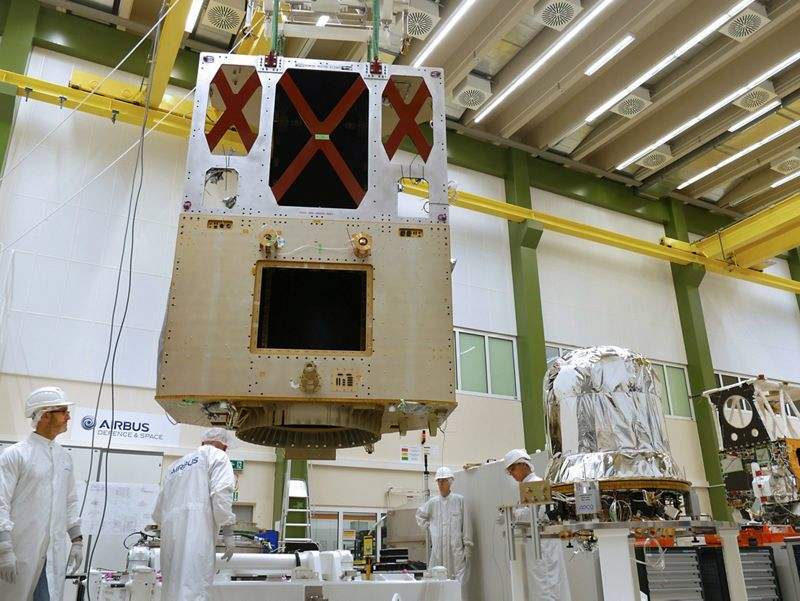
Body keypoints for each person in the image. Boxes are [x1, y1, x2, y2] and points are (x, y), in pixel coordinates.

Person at [0, 386, 83, 601]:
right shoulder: (15, 455)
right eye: (63, 411)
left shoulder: (64, 457)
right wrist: (4, 548)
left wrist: (77, 540)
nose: (68, 417)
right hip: (20, 550)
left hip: (52, 553)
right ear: (45, 415)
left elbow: (70, 501)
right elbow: (1, 502)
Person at [152, 427, 237, 601]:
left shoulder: (176, 466)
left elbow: (158, 512)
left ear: (202, 442)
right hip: (198, 533)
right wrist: (228, 531)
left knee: (172, 587)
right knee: (194, 584)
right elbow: (221, 495)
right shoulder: (218, 457)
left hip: (171, 537)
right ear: (223, 445)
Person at [503, 449, 572, 601]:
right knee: (544, 585)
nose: (512, 474)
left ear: (523, 465)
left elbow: (535, 514)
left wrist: (513, 513)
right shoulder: (528, 485)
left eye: (512, 469)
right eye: (509, 472)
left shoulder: (534, 483)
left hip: (542, 544)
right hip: (538, 543)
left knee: (545, 586)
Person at [416, 466, 473, 583]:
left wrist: (467, 546)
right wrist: (429, 527)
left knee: (457, 581)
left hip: (455, 550)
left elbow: (466, 524)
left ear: (450, 482)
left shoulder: (459, 501)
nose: (441, 484)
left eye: (444, 481)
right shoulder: (433, 503)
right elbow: (419, 515)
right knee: (437, 580)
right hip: (438, 550)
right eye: (439, 481)